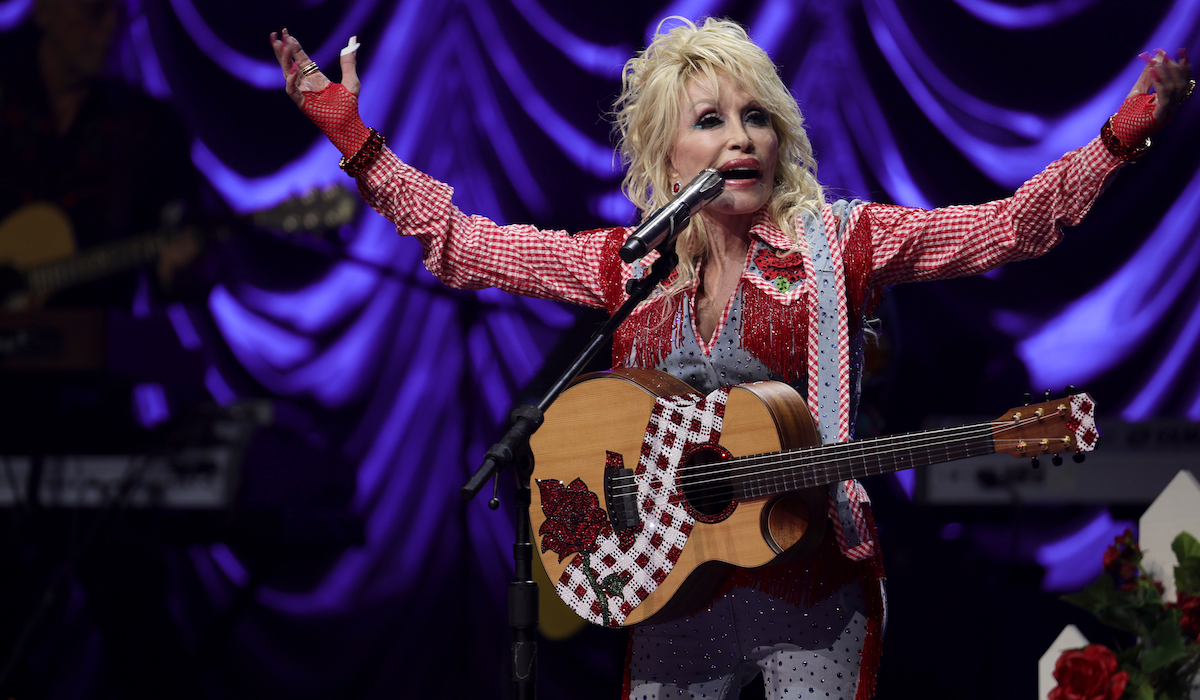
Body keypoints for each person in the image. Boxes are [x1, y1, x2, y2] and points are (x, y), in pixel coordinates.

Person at [270, 18, 1190, 700]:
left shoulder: (845, 242)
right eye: (710, 120)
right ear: (667, 160)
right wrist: (356, 142)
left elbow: (1006, 229)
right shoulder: (626, 265)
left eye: (757, 116)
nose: (741, 137)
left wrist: (1118, 139)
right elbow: (467, 245)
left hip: (814, 580)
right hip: (667, 588)